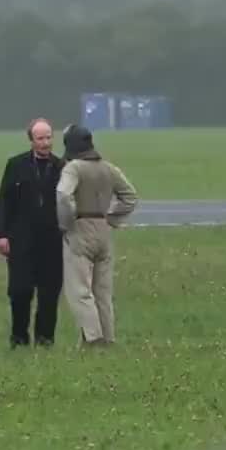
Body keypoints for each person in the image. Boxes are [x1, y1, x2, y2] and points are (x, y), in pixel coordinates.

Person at [55, 124, 138, 346]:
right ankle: (108, 338)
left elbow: (63, 195)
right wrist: (111, 219)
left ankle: (93, 338)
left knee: (80, 290)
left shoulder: (74, 168)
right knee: (102, 292)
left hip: (80, 229)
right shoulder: (108, 168)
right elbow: (130, 197)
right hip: (103, 230)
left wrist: (66, 222)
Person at [0, 118, 65, 348]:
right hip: (21, 240)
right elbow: (4, 201)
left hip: (52, 241)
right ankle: (19, 338)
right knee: (20, 291)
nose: (45, 143)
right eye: (40, 138)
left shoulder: (62, 166)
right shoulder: (16, 165)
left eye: (48, 137)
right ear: (31, 140)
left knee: (49, 293)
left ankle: (45, 339)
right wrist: (1, 235)